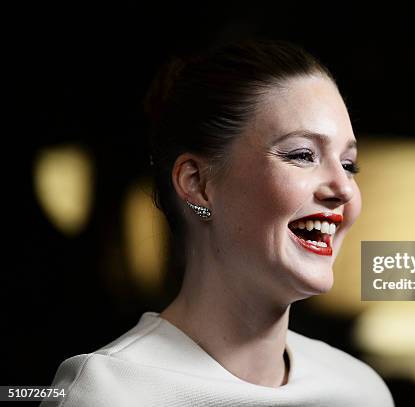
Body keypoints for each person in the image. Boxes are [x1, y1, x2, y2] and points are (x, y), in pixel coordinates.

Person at [42, 38, 394, 406]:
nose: (343, 188)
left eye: (349, 165)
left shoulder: (361, 391)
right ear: (197, 183)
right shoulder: (107, 393)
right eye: (303, 155)